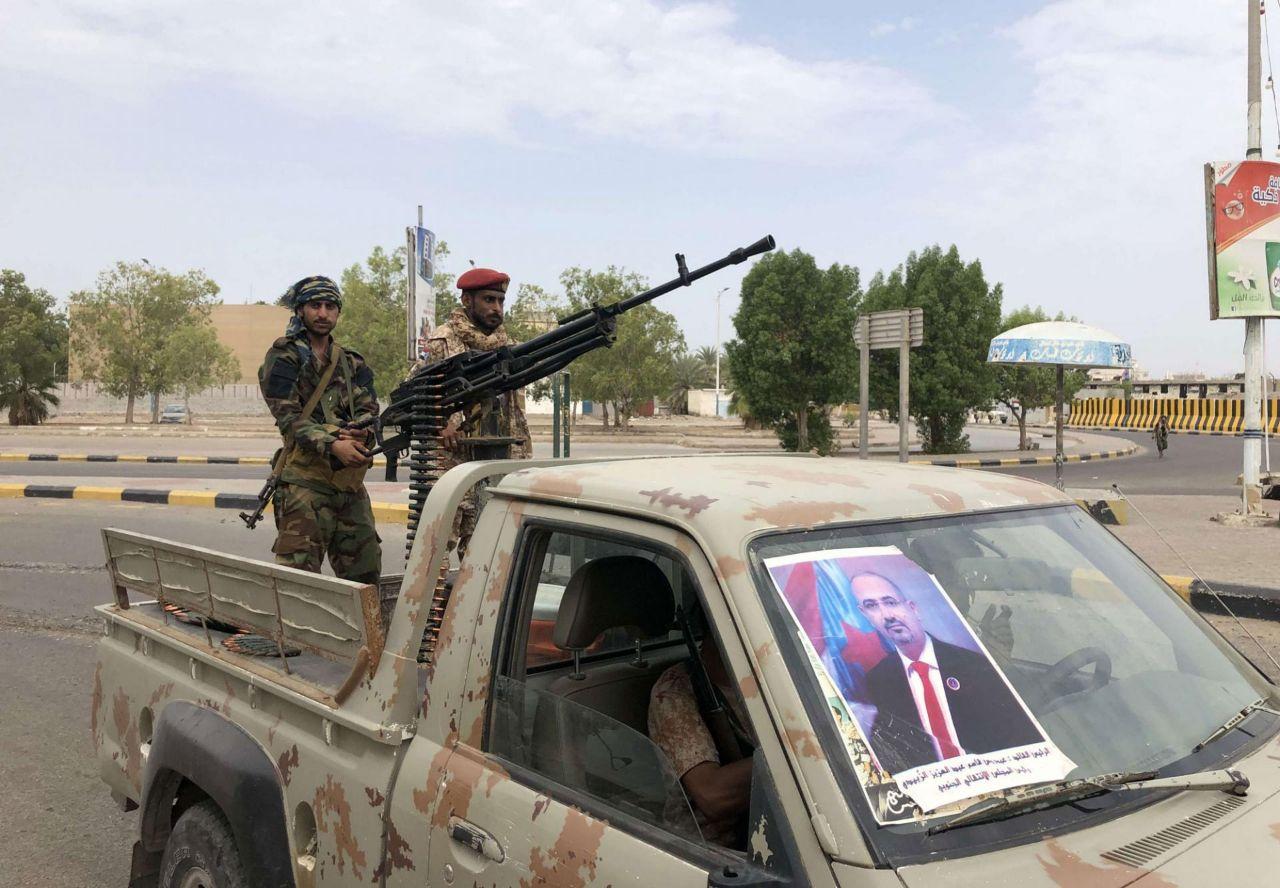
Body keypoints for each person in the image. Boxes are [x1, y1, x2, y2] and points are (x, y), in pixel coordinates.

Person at [850, 572, 1041, 773]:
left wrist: (1002, 663)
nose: (887, 615)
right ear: (865, 615)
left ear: (913, 608)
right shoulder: (878, 681)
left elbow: (1020, 738)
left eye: (890, 602)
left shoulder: (974, 665)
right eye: (872, 606)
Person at [258, 276, 382, 585]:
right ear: (300, 311)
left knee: (364, 575)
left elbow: (369, 408)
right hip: (305, 485)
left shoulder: (351, 362)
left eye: (330, 306)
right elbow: (289, 418)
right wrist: (332, 444)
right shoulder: (284, 357)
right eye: (315, 306)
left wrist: (360, 433)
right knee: (299, 578)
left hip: (348, 484)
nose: (323, 314)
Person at [414, 267, 532, 555]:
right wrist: (443, 423)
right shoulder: (443, 342)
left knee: (488, 551)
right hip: (450, 460)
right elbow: (415, 392)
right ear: (467, 301)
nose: (496, 308)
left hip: (496, 457)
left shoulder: (507, 347)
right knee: (436, 550)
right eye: (488, 300)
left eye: (501, 301)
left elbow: (514, 410)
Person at [648, 640, 754, 847]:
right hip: (709, 850)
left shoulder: (777, 678)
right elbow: (712, 796)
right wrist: (792, 754)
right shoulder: (674, 690)